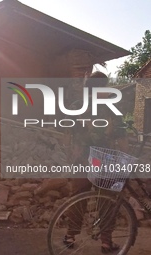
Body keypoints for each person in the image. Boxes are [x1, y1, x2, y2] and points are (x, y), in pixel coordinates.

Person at [63, 71, 129, 253]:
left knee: (77, 198)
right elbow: (122, 139)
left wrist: (71, 154)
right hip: (104, 161)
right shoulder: (111, 108)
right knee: (107, 200)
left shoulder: (77, 106)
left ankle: (70, 235)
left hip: (81, 160)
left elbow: (68, 135)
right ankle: (106, 242)